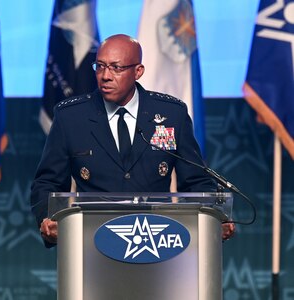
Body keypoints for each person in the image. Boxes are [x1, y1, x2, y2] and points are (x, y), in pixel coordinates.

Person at [31, 34, 235, 247]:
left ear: (138, 71)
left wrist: (215, 216)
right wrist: (48, 218)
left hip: (158, 241)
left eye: (116, 68)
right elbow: (47, 182)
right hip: (92, 241)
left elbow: (196, 181)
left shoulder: (171, 114)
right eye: (99, 66)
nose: (105, 76)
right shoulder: (71, 117)